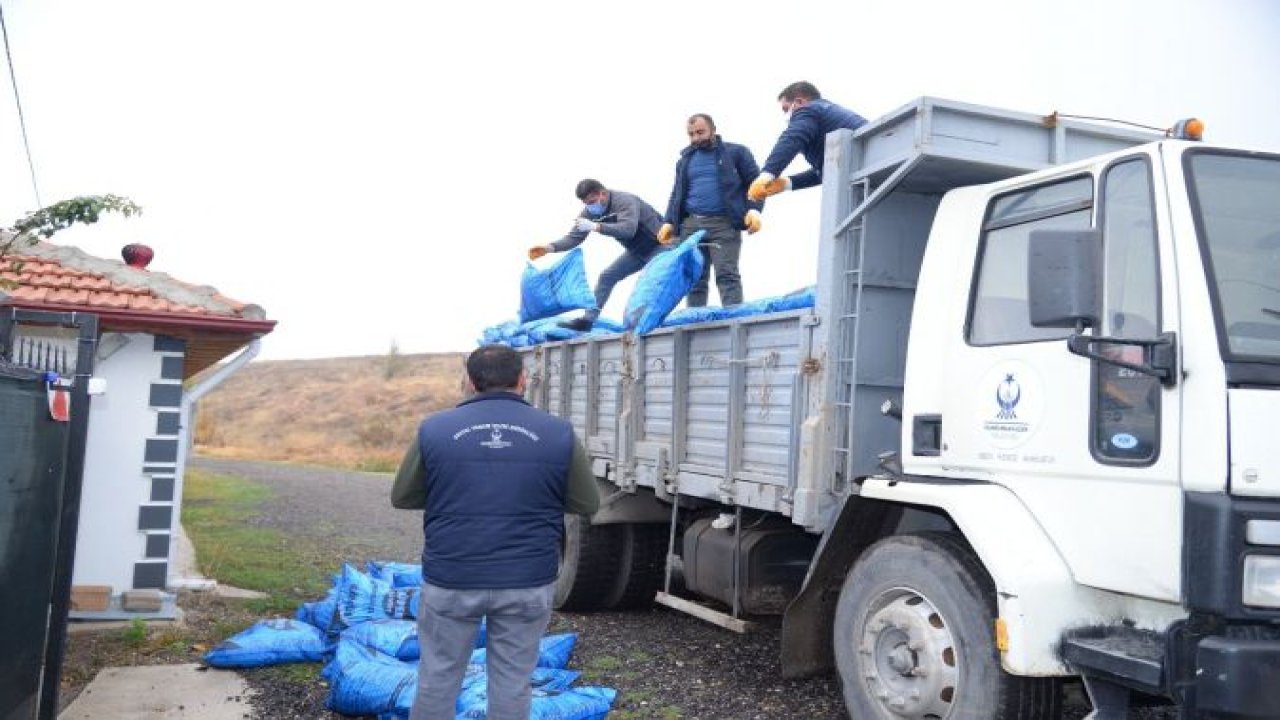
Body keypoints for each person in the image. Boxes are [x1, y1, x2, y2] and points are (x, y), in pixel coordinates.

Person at [391, 344, 600, 720]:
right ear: (523, 380)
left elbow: (404, 496)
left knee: (438, 677)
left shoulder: (433, 429)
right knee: (512, 683)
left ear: (470, 382)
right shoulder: (559, 433)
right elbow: (586, 504)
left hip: (452, 577)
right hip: (527, 580)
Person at [527, 179, 666, 331]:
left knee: (652, 280)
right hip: (638, 252)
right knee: (607, 276)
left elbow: (628, 230)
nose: (590, 206)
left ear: (603, 193)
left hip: (661, 246)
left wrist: (597, 226)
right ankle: (587, 321)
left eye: (592, 201)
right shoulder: (589, 213)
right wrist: (549, 248)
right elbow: (574, 238)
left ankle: (648, 320)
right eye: (586, 203)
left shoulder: (625, 201)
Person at [657, 113, 763, 307]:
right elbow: (677, 193)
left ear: (713, 129)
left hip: (724, 224)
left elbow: (756, 184)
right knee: (695, 278)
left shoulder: (737, 153)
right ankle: (696, 324)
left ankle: (733, 321)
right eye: (691, 134)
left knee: (727, 275)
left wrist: (754, 211)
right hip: (691, 225)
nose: (696, 138)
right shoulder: (684, 161)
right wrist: (668, 221)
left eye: (700, 132)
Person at [748, 81, 868, 202]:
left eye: (785, 109)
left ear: (799, 102)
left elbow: (793, 138)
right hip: (866, 169)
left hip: (862, 174)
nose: (786, 116)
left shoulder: (810, 109)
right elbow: (829, 169)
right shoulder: (828, 114)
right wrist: (787, 183)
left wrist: (766, 175)